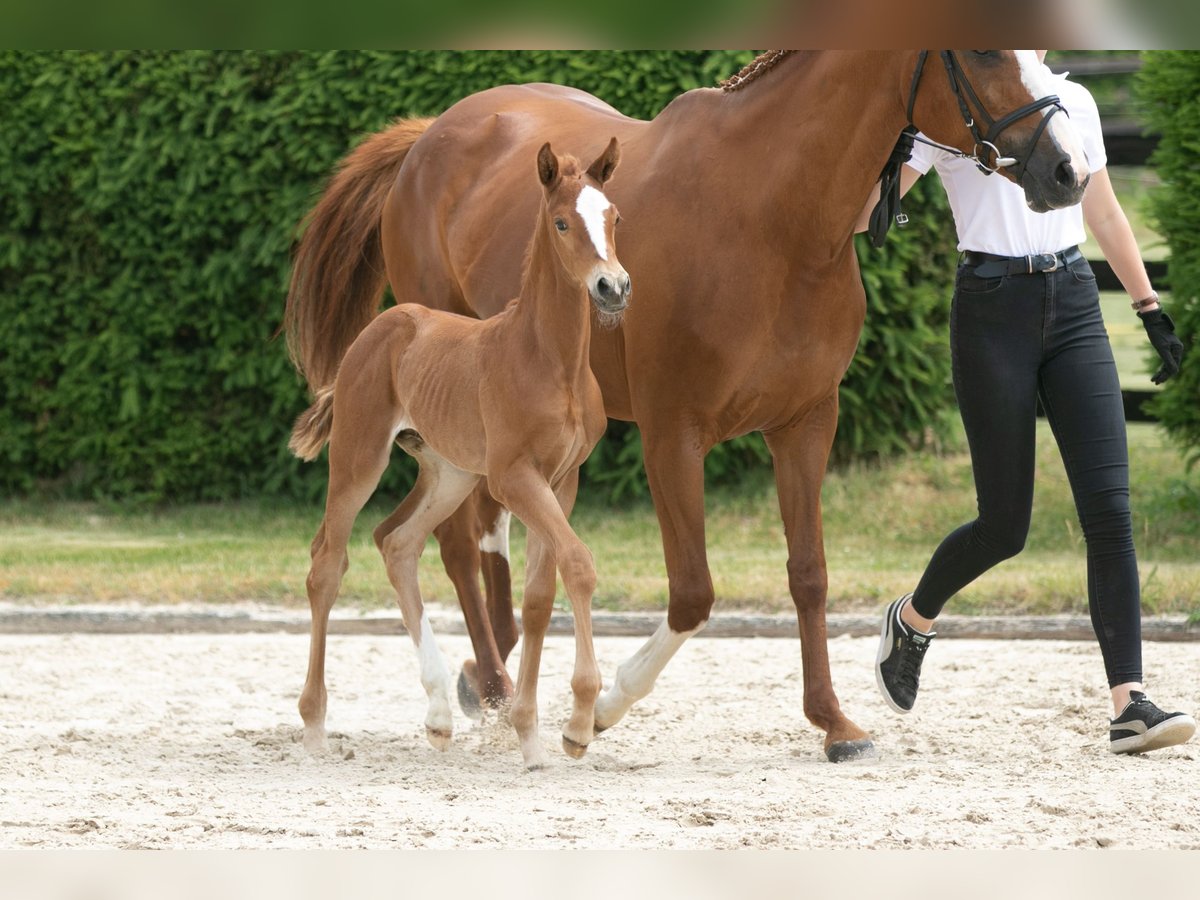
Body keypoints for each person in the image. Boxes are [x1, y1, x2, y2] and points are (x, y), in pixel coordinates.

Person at [857, 51, 1194, 754]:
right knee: (1004, 525)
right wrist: (883, 157)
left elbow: (1101, 207)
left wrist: (1148, 306)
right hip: (989, 310)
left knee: (1110, 512)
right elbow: (866, 217)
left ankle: (1130, 702)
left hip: (1072, 302)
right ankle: (913, 620)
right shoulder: (949, 113)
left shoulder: (1074, 101)